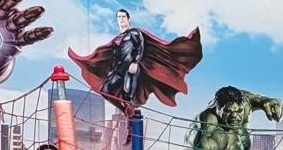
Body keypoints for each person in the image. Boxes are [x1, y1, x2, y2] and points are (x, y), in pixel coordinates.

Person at [67, 7, 202, 120]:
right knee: (105, 90)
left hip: (130, 69)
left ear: (128, 19)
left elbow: (140, 47)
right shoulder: (117, 38)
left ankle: (130, 121)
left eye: (123, 17)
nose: (121, 19)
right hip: (118, 70)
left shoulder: (134, 33)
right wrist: (110, 68)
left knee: (128, 96)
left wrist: (135, 62)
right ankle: (126, 111)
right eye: (119, 17)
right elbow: (114, 54)